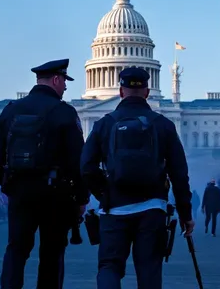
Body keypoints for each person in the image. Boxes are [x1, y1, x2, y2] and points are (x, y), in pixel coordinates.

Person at [81, 67, 193, 289]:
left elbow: (86, 167)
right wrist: (185, 214)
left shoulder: (104, 123)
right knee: (149, 270)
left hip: (114, 209)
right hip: (152, 209)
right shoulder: (163, 125)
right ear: (147, 92)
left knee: (109, 267)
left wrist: (105, 193)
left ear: (121, 91)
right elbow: (179, 173)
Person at [0, 59, 89, 289]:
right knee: (52, 254)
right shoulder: (64, 112)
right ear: (56, 79)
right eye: (64, 81)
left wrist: (9, 186)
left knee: (16, 250)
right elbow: (78, 159)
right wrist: (81, 197)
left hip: (20, 192)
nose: (65, 87)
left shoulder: (11, 110)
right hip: (56, 195)